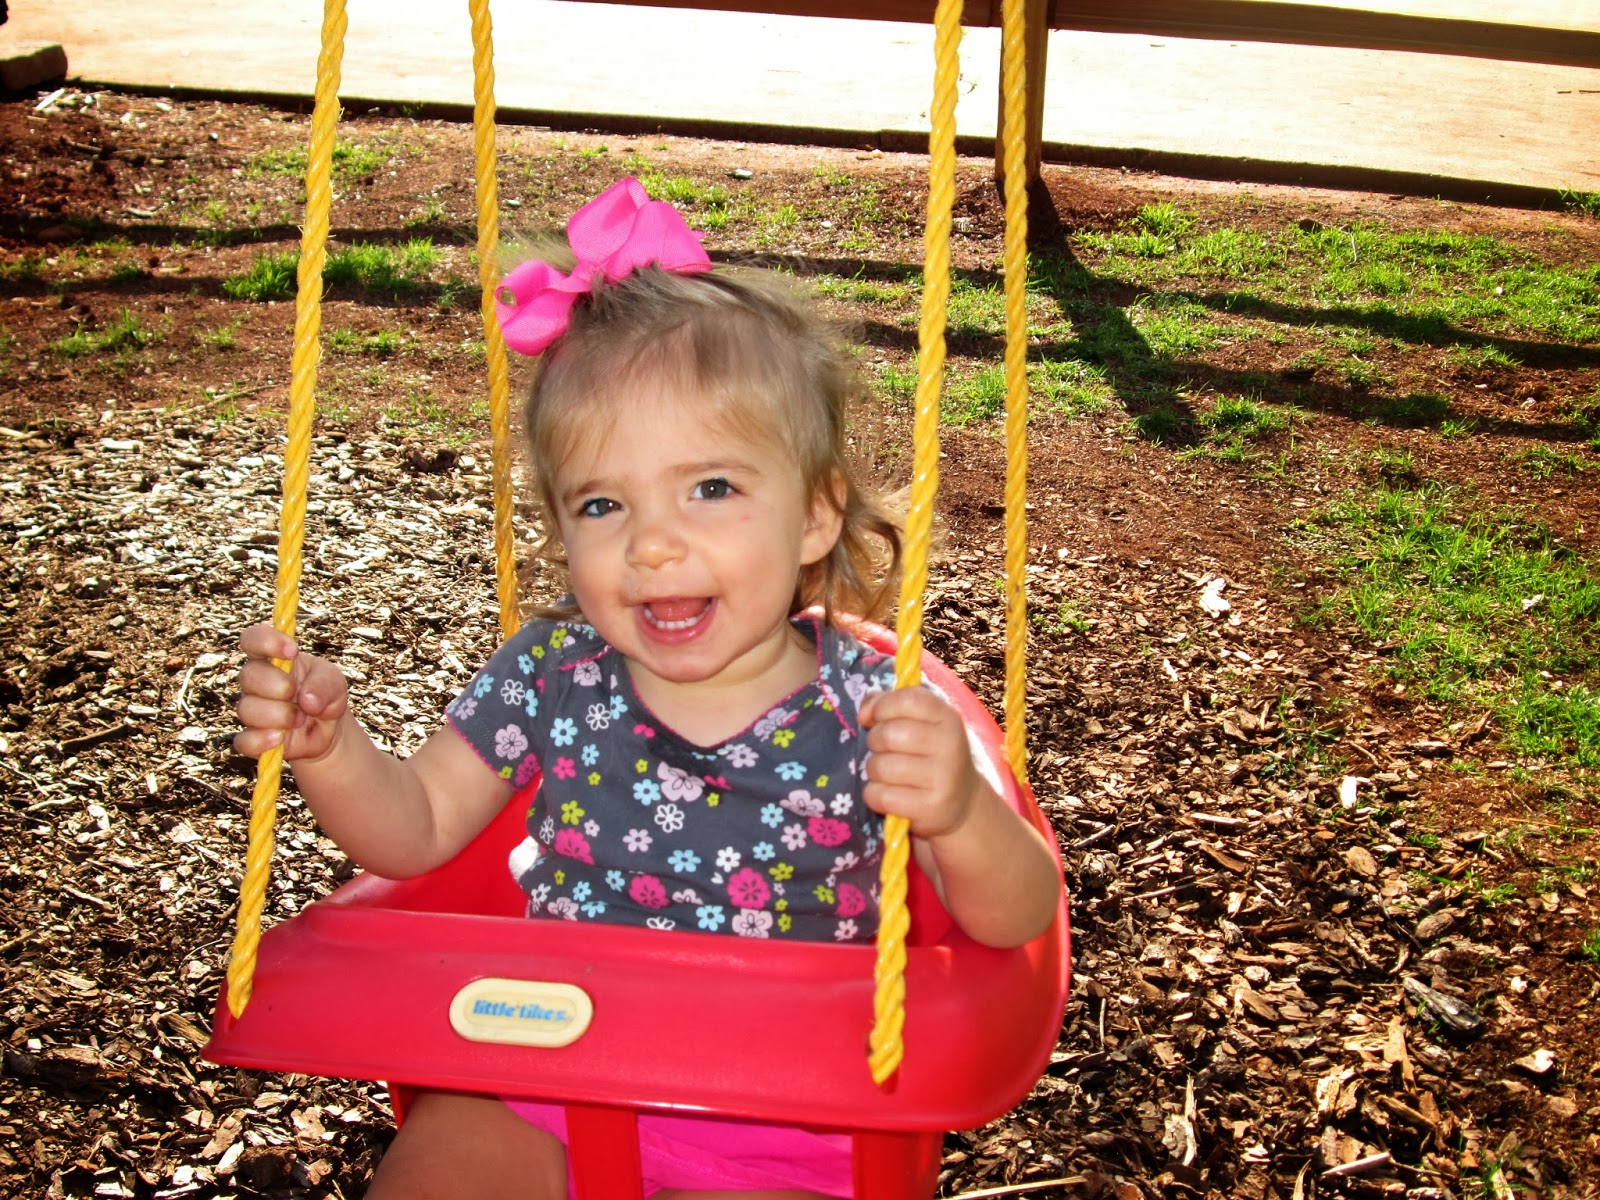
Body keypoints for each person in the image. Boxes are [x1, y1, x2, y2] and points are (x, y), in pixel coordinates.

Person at [234, 177, 1061, 1200]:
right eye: (602, 504)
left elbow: (1014, 918)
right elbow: (413, 831)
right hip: (543, 1076)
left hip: (789, 1111)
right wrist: (332, 749)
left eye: (711, 488)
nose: (653, 543)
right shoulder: (551, 675)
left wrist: (960, 811)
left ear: (813, 516)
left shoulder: (870, 711)